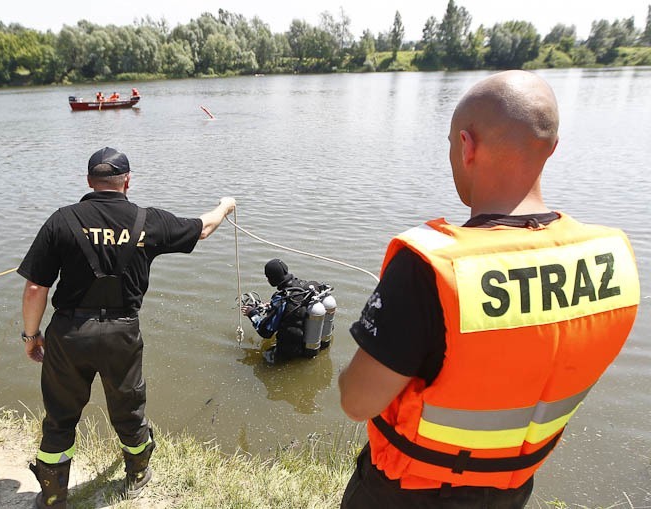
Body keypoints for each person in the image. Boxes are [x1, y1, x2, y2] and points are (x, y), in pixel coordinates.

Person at [338, 70, 640, 508]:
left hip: (404, 494)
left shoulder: (431, 266)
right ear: (551, 148)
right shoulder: (611, 259)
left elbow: (357, 401)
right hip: (510, 491)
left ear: (466, 146)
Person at [18, 146, 236, 507]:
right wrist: (225, 206)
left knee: (60, 414)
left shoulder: (62, 220)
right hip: (122, 332)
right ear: (127, 182)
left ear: (89, 181)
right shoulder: (147, 221)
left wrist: (31, 335)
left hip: (69, 333)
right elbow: (202, 229)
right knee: (129, 406)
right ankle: (136, 475)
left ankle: (54, 496)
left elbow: (35, 288)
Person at [241, 259, 335, 364]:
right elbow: (295, 309)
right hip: (312, 343)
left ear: (271, 278)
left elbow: (266, 332)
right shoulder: (304, 287)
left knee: (261, 366)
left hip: (292, 353)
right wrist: (272, 306)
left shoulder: (282, 299)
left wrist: (252, 313)